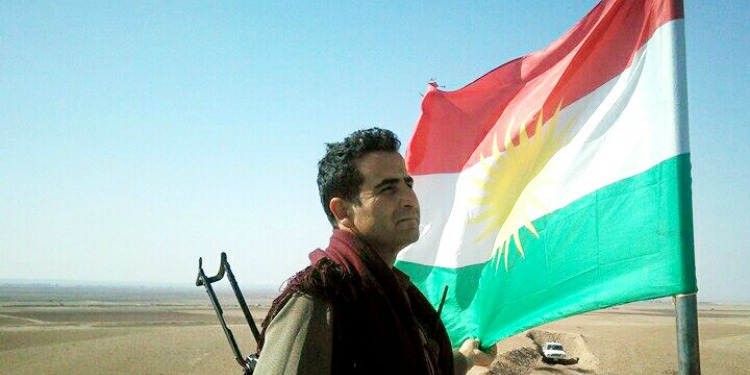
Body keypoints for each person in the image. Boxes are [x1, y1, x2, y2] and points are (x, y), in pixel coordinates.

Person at [254, 128, 492, 374]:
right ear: (342, 211)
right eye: (387, 189)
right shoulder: (319, 299)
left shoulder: (396, 292)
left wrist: (465, 358)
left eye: (407, 184)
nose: (409, 198)